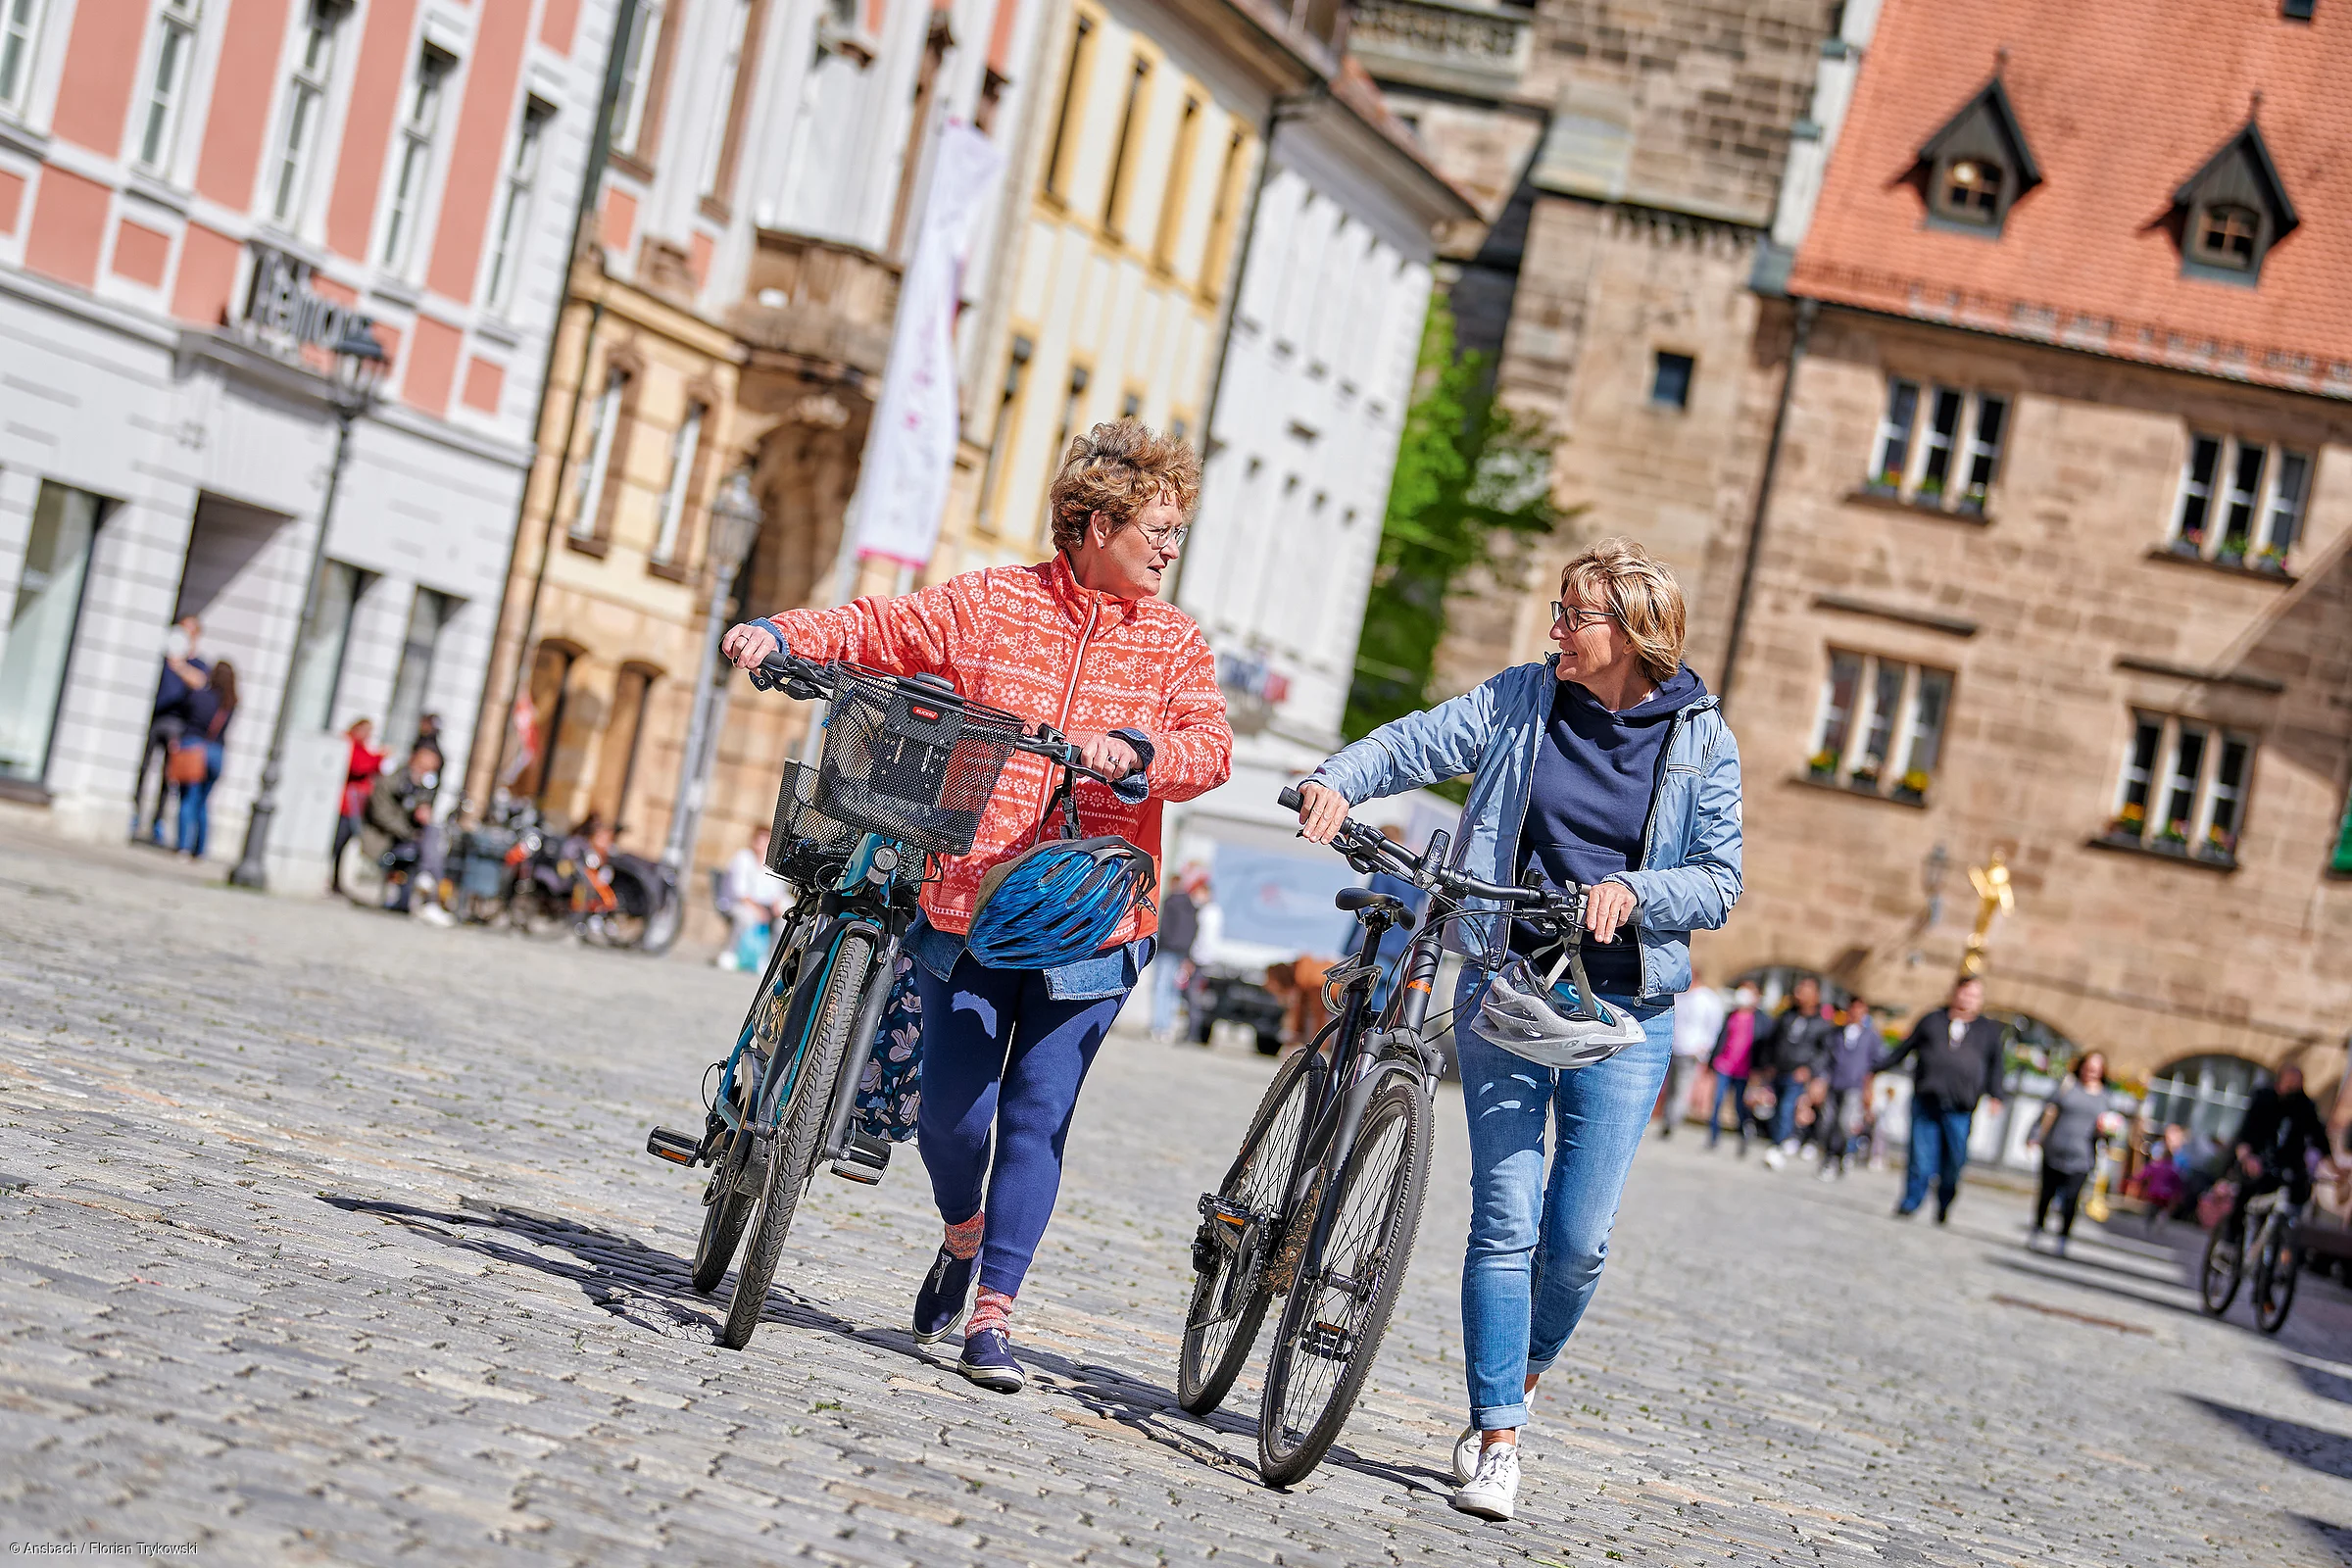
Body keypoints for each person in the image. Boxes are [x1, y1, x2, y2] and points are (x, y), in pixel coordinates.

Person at [721, 420, 1233, 1394]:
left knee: (1039, 1115)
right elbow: (883, 628)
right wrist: (783, 631)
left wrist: (1143, 754)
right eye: (1155, 529)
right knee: (952, 1120)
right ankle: (964, 1233)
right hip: (967, 902)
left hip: (1095, 917)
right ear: (1091, 523)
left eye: (1175, 532)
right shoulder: (991, 604)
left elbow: (1209, 745)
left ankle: (993, 1313)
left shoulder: (1173, 642)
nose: (1169, 549)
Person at [1294, 535, 1740, 1523]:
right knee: (1505, 1218)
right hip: (1506, 985)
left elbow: (1721, 878)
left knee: (1577, 1242)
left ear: (1630, 634)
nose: (1555, 630)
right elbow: (1416, 740)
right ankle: (1497, 1432)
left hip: (1626, 1013)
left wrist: (1636, 889)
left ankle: (1522, 1372)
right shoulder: (1522, 699)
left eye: (1574, 615)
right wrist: (1339, 776)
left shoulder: (1702, 738)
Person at [1879, 975, 2006, 1223]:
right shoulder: (1932, 1020)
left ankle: (1944, 1202)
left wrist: (1996, 1096)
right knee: (1920, 1156)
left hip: (1960, 1107)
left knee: (1954, 1162)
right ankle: (1910, 1202)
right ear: (1954, 993)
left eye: (1974, 995)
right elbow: (1904, 1049)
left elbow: (1996, 1067)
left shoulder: (1987, 1031)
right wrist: (1877, 1067)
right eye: (1965, 993)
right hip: (1927, 1100)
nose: (1968, 999)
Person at [2227, 1064, 2331, 1236]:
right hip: (2259, 1161)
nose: (2292, 1091)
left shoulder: (2304, 1107)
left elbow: (2319, 1138)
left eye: (2296, 1086)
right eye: (2289, 1085)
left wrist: (2332, 1167)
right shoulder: (2264, 1099)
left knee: (2296, 1201)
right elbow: (2246, 1134)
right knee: (2245, 1197)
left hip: (2287, 1168)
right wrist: (2248, 1157)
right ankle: (2230, 1240)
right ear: (2280, 1083)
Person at [2027, 1052, 2116, 1254]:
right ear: (2081, 1067)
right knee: (2046, 1194)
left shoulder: (2105, 1097)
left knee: (2071, 1199)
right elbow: (2046, 1111)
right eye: (2089, 1067)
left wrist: (2107, 1132)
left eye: (2096, 1069)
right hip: (2054, 1149)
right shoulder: (2067, 1086)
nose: (2091, 1072)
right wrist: (2034, 1135)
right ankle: (2038, 1228)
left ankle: (2063, 1237)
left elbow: (2110, 1132)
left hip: (2082, 1156)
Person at [361, 742, 454, 925]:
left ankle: (428, 883)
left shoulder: (421, 788)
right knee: (430, 839)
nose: (425, 773)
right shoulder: (391, 782)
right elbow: (382, 815)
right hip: (385, 839)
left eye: (430, 770)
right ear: (413, 761)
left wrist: (423, 809)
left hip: (407, 840)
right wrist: (409, 831)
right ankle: (430, 893)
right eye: (423, 767)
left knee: (432, 832)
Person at [135, 615, 210, 844]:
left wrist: (180, 666)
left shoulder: (196, 664)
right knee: (143, 768)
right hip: (155, 719)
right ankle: (135, 814)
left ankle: (157, 822)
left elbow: (200, 682)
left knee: (169, 778)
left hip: (178, 725)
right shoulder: (162, 657)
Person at [1762, 975, 1835, 1169]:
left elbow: (1824, 1052)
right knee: (1776, 1108)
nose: (1799, 993)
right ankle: (1781, 1139)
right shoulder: (1787, 1016)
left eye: (1805, 989)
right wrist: (1767, 1063)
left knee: (1787, 1108)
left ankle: (1779, 1144)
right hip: (1779, 1069)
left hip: (1798, 1074)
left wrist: (1810, 1070)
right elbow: (1773, 1041)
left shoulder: (1821, 1023)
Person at [171, 661, 236, 858]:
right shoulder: (230, 704)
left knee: (188, 799)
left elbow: (187, 715)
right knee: (203, 802)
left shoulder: (201, 696)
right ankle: (200, 850)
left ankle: (183, 846)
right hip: (217, 753)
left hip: (194, 748)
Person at [1815, 999, 1879, 1180]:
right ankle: (1828, 1155)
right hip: (1834, 1083)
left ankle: (1841, 1154)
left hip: (1854, 1086)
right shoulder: (1836, 1033)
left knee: (1845, 1124)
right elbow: (1825, 1059)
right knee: (1827, 1122)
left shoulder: (1870, 1037)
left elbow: (1875, 1064)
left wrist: (1869, 1088)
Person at [1659, 967, 1726, 1139]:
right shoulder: (1681, 996)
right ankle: (1668, 1116)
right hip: (1674, 1047)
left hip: (1691, 1050)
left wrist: (1705, 1047)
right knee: (1670, 1087)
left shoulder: (1707, 999)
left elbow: (1714, 1026)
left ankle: (1672, 1120)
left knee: (1682, 1087)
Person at [718, 824, 791, 971]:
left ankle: (768, 959)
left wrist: (777, 905)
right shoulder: (743, 858)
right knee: (746, 917)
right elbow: (740, 892)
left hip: (766, 905)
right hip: (740, 903)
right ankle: (730, 953)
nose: (763, 845)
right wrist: (757, 909)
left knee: (784, 921)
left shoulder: (772, 863)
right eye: (760, 840)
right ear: (753, 841)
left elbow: (777, 891)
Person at [1150, 865, 1204, 1041]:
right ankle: (1167, 1027)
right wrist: (1188, 954)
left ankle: (1158, 1026)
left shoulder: (1171, 901)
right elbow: (1195, 929)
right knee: (1173, 990)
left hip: (1166, 950)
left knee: (1160, 987)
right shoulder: (1192, 906)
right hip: (1181, 952)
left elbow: (1163, 926)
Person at [1707, 983, 1762, 1153]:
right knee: (1717, 1102)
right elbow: (1721, 1038)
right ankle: (1713, 1136)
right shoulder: (1732, 1015)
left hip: (1744, 1070)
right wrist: (1711, 1062)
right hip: (1724, 1065)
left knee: (1740, 1105)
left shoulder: (1760, 1020)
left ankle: (1743, 1137)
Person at [331, 719, 385, 894]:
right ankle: (333, 879)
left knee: (345, 844)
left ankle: (337, 880)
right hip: (345, 804)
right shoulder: (348, 744)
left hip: (355, 806)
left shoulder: (362, 748)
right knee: (338, 843)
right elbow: (358, 767)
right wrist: (379, 757)